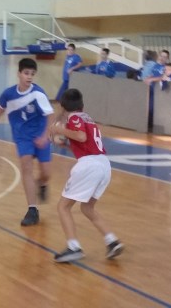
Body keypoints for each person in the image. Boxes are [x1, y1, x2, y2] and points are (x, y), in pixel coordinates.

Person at [0, 58, 53, 226]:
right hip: (22, 137)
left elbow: (50, 115)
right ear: (19, 74)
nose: (29, 76)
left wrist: (45, 136)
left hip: (40, 135)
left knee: (46, 174)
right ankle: (32, 210)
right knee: (26, 167)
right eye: (26, 73)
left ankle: (41, 183)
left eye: (32, 74)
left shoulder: (39, 93)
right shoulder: (8, 94)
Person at [49, 89, 124, 263]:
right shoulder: (87, 118)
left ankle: (73, 247)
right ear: (82, 105)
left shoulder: (74, 117)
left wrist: (58, 128)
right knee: (87, 208)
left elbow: (81, 137)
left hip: (89, 165)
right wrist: (66, 146)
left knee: (63, 207)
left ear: (63, 107)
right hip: (103, 164)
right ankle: (112, 240)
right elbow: (85, 144)